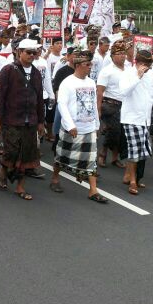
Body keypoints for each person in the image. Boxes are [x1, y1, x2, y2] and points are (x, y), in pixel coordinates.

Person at [0, 38, 45, 201]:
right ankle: (3, 168)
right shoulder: (8, 70)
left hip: (31, 121)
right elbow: (0, 96)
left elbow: (39, 97)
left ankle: (20, 187)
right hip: (11, 119)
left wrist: (41, 121)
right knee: (12, 151)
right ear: (19, 52)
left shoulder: (36, 73)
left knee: (27, 154)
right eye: (28, 52)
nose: (31, 55)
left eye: (33, 53)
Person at [50, 49, 105, 202]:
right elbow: (62, 104)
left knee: (91, 160)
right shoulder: (67, 82)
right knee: (62, 156)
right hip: (72, 128)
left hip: (88, 128)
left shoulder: (90, 82)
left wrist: (96, 124)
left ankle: (93, 190)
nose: (90, 67)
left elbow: (93, 104)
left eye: (91, 64)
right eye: (88, 64)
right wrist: (70, 125)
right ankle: (55, 178)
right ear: (79, 65)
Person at [119, 49, 153, 194]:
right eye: (147, 65)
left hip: (145, 119)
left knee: (142, 151)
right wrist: (138, 77)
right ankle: (133, 181)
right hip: (131, 118)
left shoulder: (152, 75)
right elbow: (123, 92)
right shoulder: (127, 74)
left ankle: (130, 176)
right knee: (135, 150)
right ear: (139, 63)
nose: (149, 67)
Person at [96, 39, 130, 168]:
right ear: (112, 56)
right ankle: (103, 153)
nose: (122, 56)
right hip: (110, 105)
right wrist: (98, 110)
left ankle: (115, 158)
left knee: (122, 133)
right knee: (112, 131)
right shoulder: (107, 70)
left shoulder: (129, 67)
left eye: (123, 53)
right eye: (119, 53)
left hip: (126, 105)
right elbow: (100, 92)